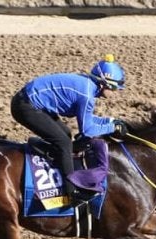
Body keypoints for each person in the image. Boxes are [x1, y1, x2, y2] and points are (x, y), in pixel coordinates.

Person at [11, 54, 128, 205]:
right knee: (64, 142)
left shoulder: (89, 86)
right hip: (25, 106)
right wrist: (112, 127)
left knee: (65, 133)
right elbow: (87, 130)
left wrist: (110, 121)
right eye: (114, 88)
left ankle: (50, 157)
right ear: (103, 84)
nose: (115, 93)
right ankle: (71, 191)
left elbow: (88, 120)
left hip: (30, 101)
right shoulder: (86, 95)